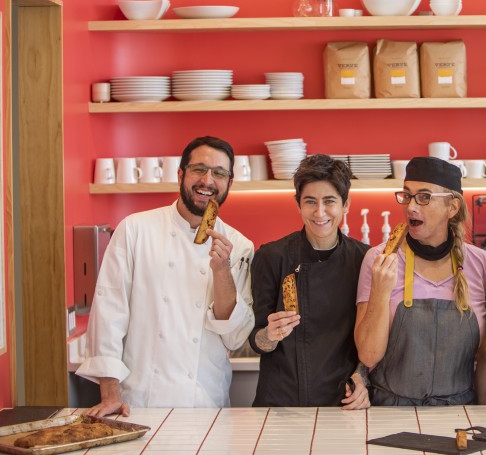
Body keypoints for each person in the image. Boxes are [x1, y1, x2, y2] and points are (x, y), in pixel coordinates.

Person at [78, 136, 254, 415]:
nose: (208, 180)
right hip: (138, 404)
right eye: (199, 169)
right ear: (181, 174)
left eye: (219, 173)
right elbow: (109, 312)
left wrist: (222, 271)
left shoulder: (240, 246)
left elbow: (234, 338)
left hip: (206, 405)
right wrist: (110, 393)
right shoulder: (135, 230)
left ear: (230, 183)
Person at [354, 156, 486, 405]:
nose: (410, 207)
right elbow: (368, 356)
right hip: (390, 412)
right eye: (407, 196)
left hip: (461, 413)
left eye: (424, 197)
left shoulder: (482, 264)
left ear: (452, 207)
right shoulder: (379, 259)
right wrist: (380, 290)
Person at [249, 154, 371, 408]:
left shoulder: (365, 260)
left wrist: (362, 377)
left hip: (342, 402)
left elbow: (373, 336)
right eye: (310, 202)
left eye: (329, 202)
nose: (320, 212)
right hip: (280, 403)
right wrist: (270, 335)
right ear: (298, 204)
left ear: (346, 204)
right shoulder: (271, 257)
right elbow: (256, 340)